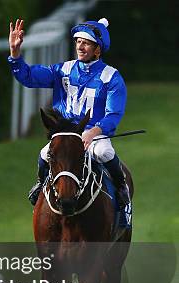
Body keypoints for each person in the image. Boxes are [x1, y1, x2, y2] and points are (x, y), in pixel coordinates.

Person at [7, 18, 129, 209]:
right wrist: (15, 53)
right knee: (44, 154)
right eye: (78, 42)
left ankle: (122, 189)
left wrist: (93, 132)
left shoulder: (111, 77)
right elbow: (28, 77)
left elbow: (113, 114)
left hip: (93, 133)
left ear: (98, 49)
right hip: (65, 132)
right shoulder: (62, 69)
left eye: (86, 43)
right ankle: (41, 184)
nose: (80, 47)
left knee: (105, 152)